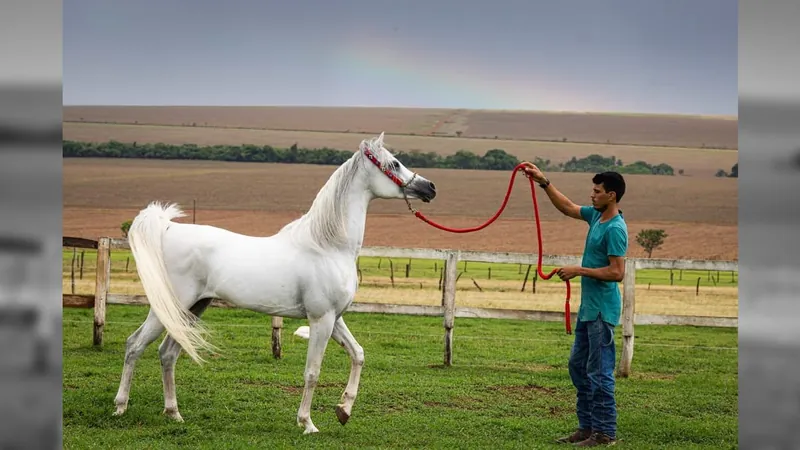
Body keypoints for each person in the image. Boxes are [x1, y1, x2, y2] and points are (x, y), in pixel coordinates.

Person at [520, 161, 628, 447]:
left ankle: (605, 433)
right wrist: (544, 182)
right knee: (578, 367)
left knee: (599, 372)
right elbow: (567, 207)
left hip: (602, 311)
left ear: (612, 195)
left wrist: (579, 270)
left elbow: (617, 273)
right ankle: (586, 427)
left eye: (597, 191)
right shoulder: (596, 217)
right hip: (588, 309)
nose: (592, 195)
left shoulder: (615, 228)